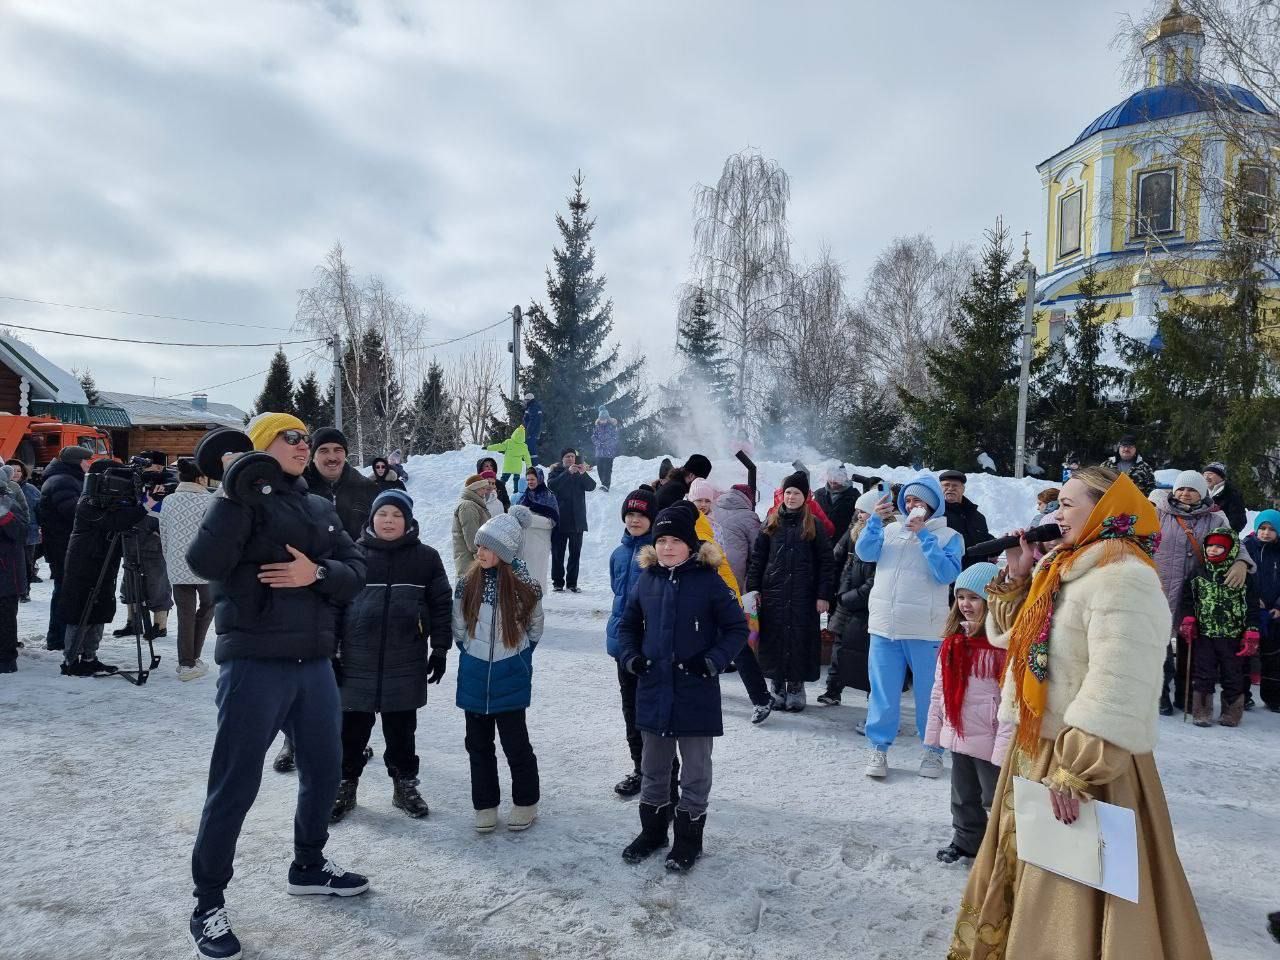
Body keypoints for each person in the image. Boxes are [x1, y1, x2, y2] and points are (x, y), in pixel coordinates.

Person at [948, 467, 1211, 960]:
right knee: (1025, 873)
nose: (1055, 514)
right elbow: (1009, 640)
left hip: (1088, 760)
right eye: (1056, 503)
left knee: (1074, 892)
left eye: (1068, 504)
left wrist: (1078, 769)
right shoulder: (1063, 567)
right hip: (1039, 750)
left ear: (1105, 508)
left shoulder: (1124, 577)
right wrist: (1019, 574)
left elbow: (1121, 684)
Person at [187, 413, 370, 960]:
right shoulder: (239, 501)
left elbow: (355, 567)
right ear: (263, 444)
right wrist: (232, 492)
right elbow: (203, 562)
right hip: (254, 663)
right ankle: (208, 902)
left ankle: (309, 864)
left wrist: (315, 574)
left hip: (314, 661)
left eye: (307, 438)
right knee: (235, 785)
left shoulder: (318, 504)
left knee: (326, 769)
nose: (304, 444)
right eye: (292, 436)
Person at [615, 501, 749, 872]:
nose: (667, 547)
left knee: (695, 772)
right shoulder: (647, 580)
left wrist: (712, 661)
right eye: (661, 540)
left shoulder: (709, 581)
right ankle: (653, 833)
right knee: (653, 768)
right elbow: (627, 626)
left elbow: (737, 628)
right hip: (655, 689)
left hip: (695, 691)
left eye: (675, 540)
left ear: (691, 544)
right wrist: (631, 657)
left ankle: (688, 841)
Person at [331, 489, 453, 823]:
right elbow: (333, 605)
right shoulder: (352, 554)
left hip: (406, 658)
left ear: (408, 521)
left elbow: (442, 604)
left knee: (402, 730)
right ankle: (344, 784)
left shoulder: (425, 558)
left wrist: (440, 647)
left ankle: (404, 786)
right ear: (372, 518)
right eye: (383, 514)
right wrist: (331, 652)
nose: (389, 521)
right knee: (350, 730)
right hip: (355, 659)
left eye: (397, 515)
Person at [856, 472, 962, 779]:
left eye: (919, 500)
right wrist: (874, 522)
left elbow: (946, 574)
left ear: (932, 506)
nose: (913, 505)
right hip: (884, 626)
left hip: (926, 629)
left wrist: (925, 537)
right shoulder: (890, 531)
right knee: (883, 692)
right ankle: (878, 748)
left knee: (930, 694)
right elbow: (865, 553)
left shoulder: (949, 536)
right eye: (909, 500)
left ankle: (932, 751)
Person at [452, 510, 544, 833]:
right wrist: (472, 654)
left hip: (510, 677)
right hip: (475, 678)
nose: (480, 553)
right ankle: (485, 804)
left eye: (487, 548)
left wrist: (520, 656)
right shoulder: (468, 582)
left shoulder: (524, 585)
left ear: (504, 552)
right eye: (479, 546)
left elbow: (535, 628)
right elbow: (459, 627)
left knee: (516, 745)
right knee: (477, 746)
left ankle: (526, 801)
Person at [923, 562, 1013, 864]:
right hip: (959, 732)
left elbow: (1008, 701)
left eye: (974, 597)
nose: (966, 604)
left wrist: (1002, 747)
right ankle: (966, 841)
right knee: (962, 795)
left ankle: (1002, 851)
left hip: (989, 738)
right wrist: (935, 734)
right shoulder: (952, 643)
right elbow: (939, 691)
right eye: (961, 597)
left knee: (994, 797)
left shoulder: (1001, 647)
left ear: (991, 600)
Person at [1151, 470, 1247, 714]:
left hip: (1197, 594)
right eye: (1181, 489)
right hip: (1159, 588)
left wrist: (1241, 563)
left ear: (1203, 493)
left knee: (1190, 645)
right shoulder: (1158, 512)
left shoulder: (1215, 519)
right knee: (1157, 644)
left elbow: (1235, 543)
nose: (1185, 494)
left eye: (1192, 489)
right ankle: (1158, 695)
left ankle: (1185, 695)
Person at [747, 471, 834, 713]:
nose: (791, 497)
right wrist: (754, 589)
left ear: (805, 496)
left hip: (804, 596)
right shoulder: (771, 522)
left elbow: (826, 563)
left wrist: (823, 594)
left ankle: (796, 686)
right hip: (773, 593)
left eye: (796, 493)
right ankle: (776, 685)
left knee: (799, 639)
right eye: (788, 492)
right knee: (774, 638)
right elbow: (758, 559)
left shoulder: (814, 524)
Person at [689, 478, 772, 723]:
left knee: (737, 645)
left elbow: (722, 564)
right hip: (693, 597)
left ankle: (761, 698)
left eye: (707, 500)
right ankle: (699, 695)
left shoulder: (713, 525)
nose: (703, 505)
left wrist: (732, 595)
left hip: (716, 595)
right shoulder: (684, 523)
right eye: (698, 500)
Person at [58, 461, 148, 677]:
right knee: (81, 609)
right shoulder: (87, 503)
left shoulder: (108, 502)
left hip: (104, 561)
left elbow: (121, 518)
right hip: (84, 562)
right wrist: (144, 506)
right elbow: (114, 522)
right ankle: (72, 660)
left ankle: (90, 657)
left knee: (100, 607)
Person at [1180, 527, 1260, 727]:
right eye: (1210, 546)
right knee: (1203, 673)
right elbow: (1188, 599)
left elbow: (1251, 605)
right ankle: (1202, 711)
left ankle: (1232, 712)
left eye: (1219, 547)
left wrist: (1251, 629)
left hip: (1232, 635)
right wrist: (1188, 619)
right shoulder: (1198, 573)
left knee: (1232, 674)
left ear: (1231, 550)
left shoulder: (1243, 577)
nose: (1213, 550)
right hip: (1205, 634)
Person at [606, 486, 658, 797]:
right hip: (621, 644)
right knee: (631, 710)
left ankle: (660, 771)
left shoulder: (658, 554)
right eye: (630, 514)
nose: (635, 519)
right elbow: (617, 590)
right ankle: (640, 767)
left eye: (641, 514)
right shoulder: (619, 553)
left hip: (649, 644)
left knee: (652, 711)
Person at [817, 489, 881, 707]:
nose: (859, 515)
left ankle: (872, 696)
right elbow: (840, 560)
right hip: (847, 597)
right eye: (859, 511)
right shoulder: (853, 530)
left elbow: (876, 577)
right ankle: (833, 689)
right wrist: (839, 593)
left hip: (870, 602)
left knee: (870, 651)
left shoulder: (886, 533)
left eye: (864, 511)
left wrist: (855, 595)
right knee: (840, 645)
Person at [158, 458, 215, 681]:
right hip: (204, 564)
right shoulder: (209, 501)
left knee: (185, 613)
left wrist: (170, 558)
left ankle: (186, 662)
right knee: (208, 605)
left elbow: (164, 533)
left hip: (176, 563)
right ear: (201, 478)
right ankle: (194, 657)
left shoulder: (169, 500)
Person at [39, 446, 92, 651]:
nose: (89, 464)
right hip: (64, 546)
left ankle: (60, 636)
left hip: (63, 545)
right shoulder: (63, 481)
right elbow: (74, 512)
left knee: (63, 591)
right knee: (64, 592)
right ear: (78, 461)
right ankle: (58, 638)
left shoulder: (65, 478)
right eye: (87, 460)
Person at [116, 464, 174, 642]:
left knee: (157, 584)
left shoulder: (168, 485)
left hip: (154, 545)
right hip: (132, 542)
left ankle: (160, 625)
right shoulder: (132, 485)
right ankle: (133, 622)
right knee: (129, 583)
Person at [303, 427, 378, 543]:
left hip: (358, 559)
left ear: (345, 455)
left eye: (338, 450)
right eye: (324, 451)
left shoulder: (368, 489)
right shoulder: (298, 489)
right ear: (312, 457)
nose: (332, 457)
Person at [1243, 509, 1280, 712]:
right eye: (1262, 528)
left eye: (1271, 529)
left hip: (1274, 614)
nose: (1266, 533)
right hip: (1251, 610)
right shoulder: (1246, 547)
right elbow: (1241, 577)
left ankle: (1273, 696)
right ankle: (1243, 695)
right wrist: (1252, 600)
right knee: (1245, 655)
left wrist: (1278, 606)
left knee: (1272, 657)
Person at [547, 447, 595, 593]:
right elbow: (552, 486)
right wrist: (567, 473)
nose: (570, 459)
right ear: (562, 459)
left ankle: (572, 583)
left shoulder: (580, 473)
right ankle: (557, 582)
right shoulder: (555, 472)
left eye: (572, 457)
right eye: (567, 456)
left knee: (575, 554)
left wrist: (583, 473)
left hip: (577, 521)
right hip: (560, 520)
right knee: (558, 553)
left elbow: (591, 486)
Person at [513, 466, 556, 592]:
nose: (530, 482)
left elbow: (551, 522)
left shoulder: (548, 496)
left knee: (536, 577)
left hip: (539, 543)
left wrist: (530, 520)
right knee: (522, 577)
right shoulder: (525, 496)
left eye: (533, 479)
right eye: (528, 479)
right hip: (523, 542)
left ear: (540, 479)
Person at [0, 487, 29, 673]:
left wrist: (4, 517)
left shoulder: (8, 502)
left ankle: (6, 661)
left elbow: (22, 533)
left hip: (5, 572)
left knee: (5, 618)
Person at [938, 470, 993, 567]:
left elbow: (985, 541)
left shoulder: (978, 517)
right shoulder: (936, 514)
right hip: (948, 578)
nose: (950, 488)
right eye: (946, 485)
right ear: (939, 488)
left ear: (963, 489)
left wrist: (1005, 541)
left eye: (955, 485)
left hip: (976, 577)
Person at [5, 460, 40, 600]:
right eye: (12, 470)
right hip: (9, 533)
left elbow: (39, 508)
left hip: (29, 532)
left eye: (18, 470)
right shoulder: (4, 488)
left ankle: (25, 591)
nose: (16, 474)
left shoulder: (31, 489)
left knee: (27, 563)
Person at [451, 473, 493, 580]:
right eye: (482, 488)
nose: (485, 491)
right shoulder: (468, 506)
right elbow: (472, 536)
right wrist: (480, 559)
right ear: (475, 489)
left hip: (475, 562)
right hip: (470, 565)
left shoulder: (475, 504)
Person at [814, 465, 858, 542]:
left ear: (844, 477)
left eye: (838, 476)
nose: (833, 480)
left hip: (843, 543)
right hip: (821, 542)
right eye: (830, 476)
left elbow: (858, 522)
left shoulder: (854, 496)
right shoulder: (818, 494)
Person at [1202, 461, 1247, 533]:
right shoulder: (1200, 492)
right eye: (1205, 474)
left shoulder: (1231, 494)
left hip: (1221, 538)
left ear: (1221, 476)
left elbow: (1239, 521)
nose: (1206, 477)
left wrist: (1225, 532)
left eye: (1210, 474)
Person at [486, 425, 531, 494]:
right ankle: (516, 494)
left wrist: (489, 447)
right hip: (517, 467)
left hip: (508, 466)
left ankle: (498, 490)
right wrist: (529, 466)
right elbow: (527, 457)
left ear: (514, 433)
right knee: (516, 480)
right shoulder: (524, 446)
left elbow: (499, 446)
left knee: (503, 479)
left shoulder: (509, 442)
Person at [591, 406, 620, 492]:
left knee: (607, 469)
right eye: (601, 418)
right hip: (599, 452)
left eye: (604, 418)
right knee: (600, 468)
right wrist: (598, 443)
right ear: (599, 419)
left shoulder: (612, 427)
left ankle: (606, 485)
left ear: (607, 419)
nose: (602, 420)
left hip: (609, 453)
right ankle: (603, 482)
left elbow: (615, 438)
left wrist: (607, 444)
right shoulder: (597, 427)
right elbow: (593, 437)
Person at [521, 392, 543, 465]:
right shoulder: (534, 406)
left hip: (531, 432)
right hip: (534, 432)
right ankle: (531, 464)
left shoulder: (532, 407)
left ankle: (533, 464)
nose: (525, 402)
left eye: (526, 400)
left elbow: (532, 421)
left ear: (529, 400)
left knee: (531, 448)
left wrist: (528, 432)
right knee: (531, 447)